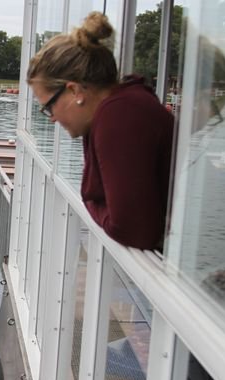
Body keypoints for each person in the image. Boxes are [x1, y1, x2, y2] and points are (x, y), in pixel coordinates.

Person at [27, 11, 175, 250]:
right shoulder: (124, 106)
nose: (52, 118)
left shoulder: (118, 117)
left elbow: (132, 230)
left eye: (49, 106)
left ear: (75, 91)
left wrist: (92, 202)